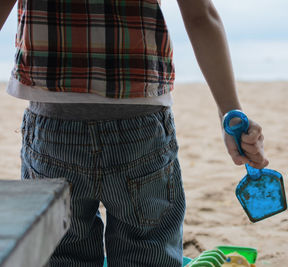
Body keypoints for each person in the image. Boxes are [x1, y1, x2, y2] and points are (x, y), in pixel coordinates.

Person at [0, 0, 268, 266]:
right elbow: (200, 15)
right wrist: (229, 111)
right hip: (140, 125)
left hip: (53, 124)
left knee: (59, 251)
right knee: (148, 252)